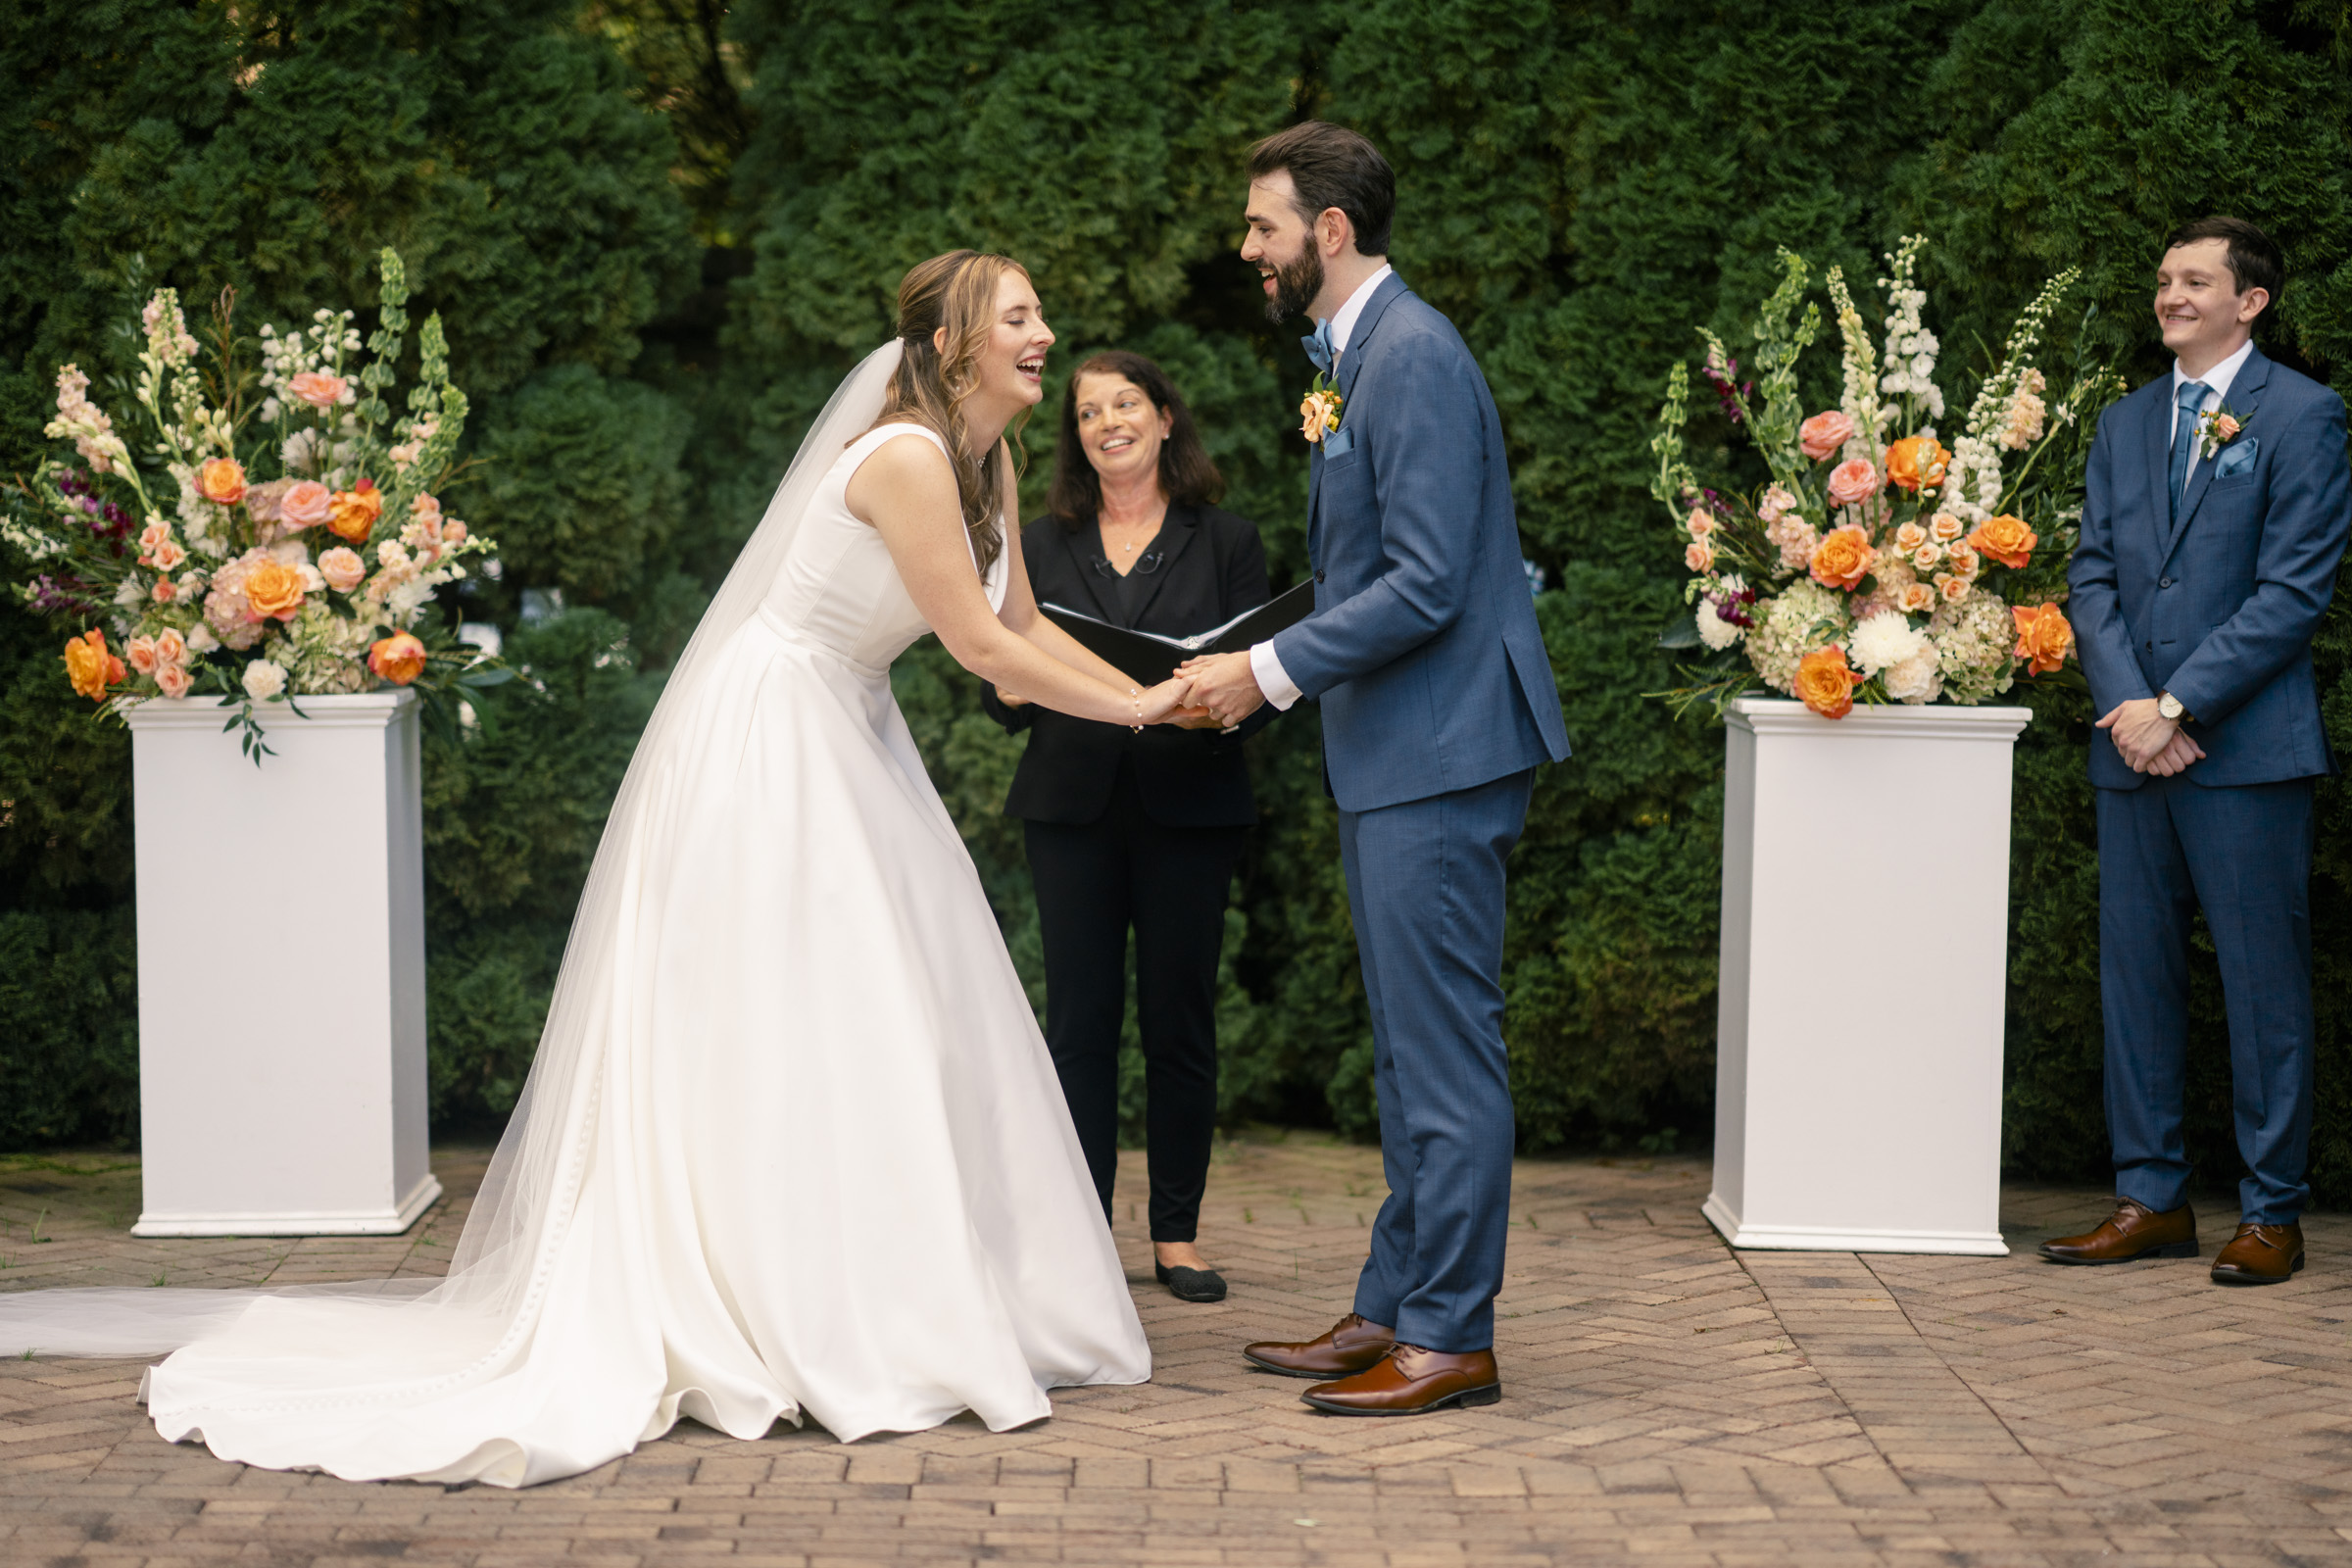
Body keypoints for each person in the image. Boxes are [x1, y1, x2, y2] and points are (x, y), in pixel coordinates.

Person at [0, 251, 1201, 1484]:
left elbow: (1024, 631)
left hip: (845, 727)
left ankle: (883, 1282)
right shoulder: (903, 457)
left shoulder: (982, 458)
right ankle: (788, 1302)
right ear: (953, 342)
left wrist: (1163, 687)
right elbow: (973, 647)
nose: (1044, 333)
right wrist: (1155, 712)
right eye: (1019, 316)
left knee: (883, 1006)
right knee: (812, 1006)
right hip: (775, 733)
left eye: (1038, 315)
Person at [1180, 122, 1571, 1414]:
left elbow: (1426, 581)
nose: (1248, 247)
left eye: (1262, 225)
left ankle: (1451, 1334)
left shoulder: (1412, 357)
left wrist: (1266, 672)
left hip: (1443, 751)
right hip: (1399, 750)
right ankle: (1396, 1305)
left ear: (1328, 232)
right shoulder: (1357, 357)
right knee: (1407, 1057)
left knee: (1445, 1056)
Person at [2044, 217, 2349, 1285]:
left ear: (2249, 301)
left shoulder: (2304, 416)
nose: (2171, 296)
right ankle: (2150, 1196)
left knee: (2263, 987)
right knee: (2136, 980)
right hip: (2132, 748)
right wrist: (2133, 706)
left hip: (2246, 753)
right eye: (2166, 279)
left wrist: (2180, 703)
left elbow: (2294, 590)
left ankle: (2272, 1211)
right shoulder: (2126, 423)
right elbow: (2091, 573)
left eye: (2195, 281)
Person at [981, 351, 1274, 1304]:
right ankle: (1082, 1233)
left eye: (1125, 402)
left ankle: (1178, 1236)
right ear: (1075, 437)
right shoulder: (1040, 540)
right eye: (1087, 410)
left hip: (1192, 806)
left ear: (1162, 418)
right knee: (1079, 1026)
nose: (1106, 420)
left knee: (1181, 1024)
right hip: (1072, 809)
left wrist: (1217, 701)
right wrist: (1005, 684)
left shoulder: (1226, 539)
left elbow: (1261, 685)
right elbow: (1012, 693)